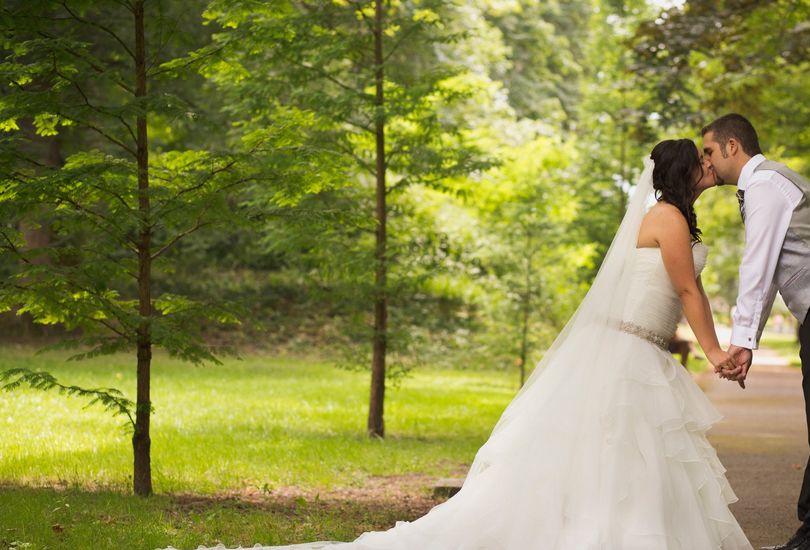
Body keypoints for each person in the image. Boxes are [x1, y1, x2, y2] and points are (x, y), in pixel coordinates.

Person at [172, 139, 753, 550]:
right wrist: (716, 352)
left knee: (631, 456)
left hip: (643, 349)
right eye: (699, 162)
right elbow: (686, 289)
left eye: (711, 159)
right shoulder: (668, 220)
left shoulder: (673, 218)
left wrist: (715, 346)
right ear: (681, 174)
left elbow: (683, 290)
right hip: (630, 355)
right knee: (625, 451)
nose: (708, 167)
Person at [702, 114, 810, 550]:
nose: (706, 161)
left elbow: (757, 266)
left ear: (732, 146)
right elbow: (775, 271)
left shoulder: (765, 186)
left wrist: (741, 341)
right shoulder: (765, 184)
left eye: (709, 151)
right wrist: (749, 341)